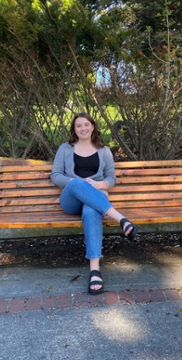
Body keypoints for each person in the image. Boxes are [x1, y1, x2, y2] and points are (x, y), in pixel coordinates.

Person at [51, 112, 138, 295]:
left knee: (91, 211)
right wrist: (78, 184)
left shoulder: (103, 150)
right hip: (71, 199)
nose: (83, 128)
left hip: (96, 197)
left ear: (92, 127)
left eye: (86, 125)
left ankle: (95, 271)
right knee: (77, 182)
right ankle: (121, 219)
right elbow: (56, 175)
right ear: (74, 130)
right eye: (78, 126)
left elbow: (111, 177)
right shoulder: (65, 149)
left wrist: (99, 184)